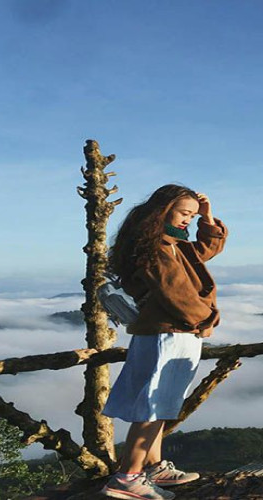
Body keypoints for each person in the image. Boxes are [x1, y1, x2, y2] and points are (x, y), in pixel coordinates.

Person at [99, 184, 228, 500]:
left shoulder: (168, 244)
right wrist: (205, 320)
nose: (188, 220)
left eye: (191, 215)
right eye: (185, 213)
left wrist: (207, 218)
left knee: (159, 403)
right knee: (153, 406)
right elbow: (176, 293)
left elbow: (205, 251)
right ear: (162, 210)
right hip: (171, 332)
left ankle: (153, 466)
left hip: (164, 331)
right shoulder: (158, 247)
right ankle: (127, 477)